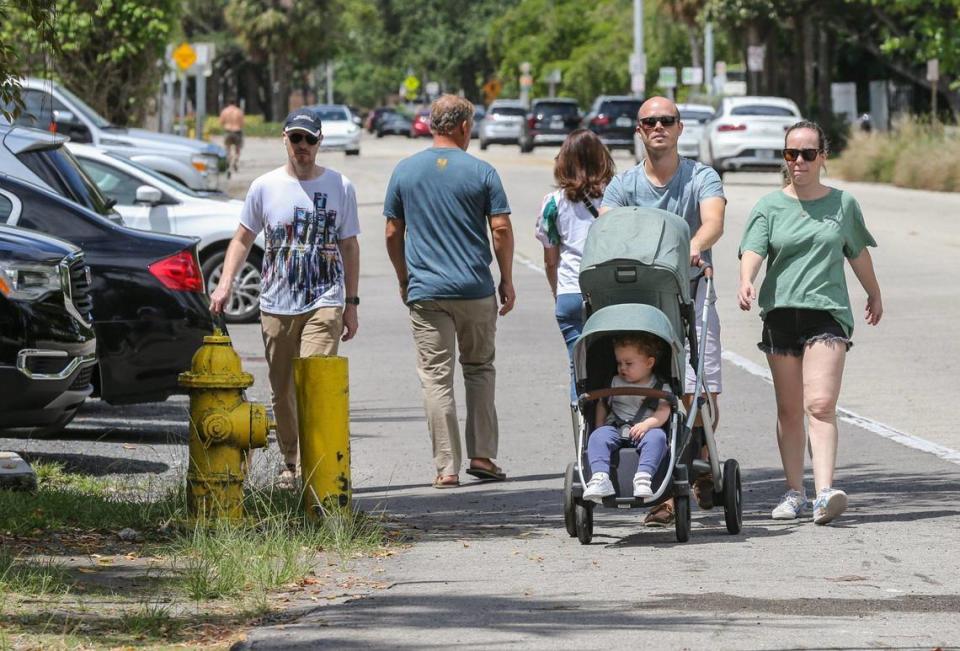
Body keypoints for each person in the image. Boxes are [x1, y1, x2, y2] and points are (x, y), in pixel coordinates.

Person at [738, 120, 882, 525]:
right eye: (790, 154)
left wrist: (873, 291)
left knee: (819, 404)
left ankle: (823, 494)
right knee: (788, 410)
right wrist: (747, 279)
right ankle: (794, 492)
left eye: (806, 154)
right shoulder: (769, 206)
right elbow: (753, 248)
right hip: (781, 313)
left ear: (823, 157)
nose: (797, 162)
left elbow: (857, 252)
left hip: (827, 312)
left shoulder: (843, 204)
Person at [210, 108, 360, 489]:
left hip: (325, 298)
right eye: (297, 138)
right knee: (283, 390)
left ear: (320, 142)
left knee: (314, 378)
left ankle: (318, 463)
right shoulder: (264, 186)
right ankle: (291, 461)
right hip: (276, 302)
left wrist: (352, 303)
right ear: (285, 139)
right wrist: (226, 283)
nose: (303, 146)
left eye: (310, 139)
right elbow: (242, 238)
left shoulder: (340, 186)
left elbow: (349, 244)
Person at [600, 96, 726, 526]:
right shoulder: (625, 185)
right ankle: (667, 490)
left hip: (688, 297)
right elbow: (608, 227)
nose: (658, 127)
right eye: (649, 121)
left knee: (695, 397)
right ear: (639, 130)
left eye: (666, 120)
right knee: (658, 390)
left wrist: (690, 248)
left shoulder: (700, 177)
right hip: (640, 305)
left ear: (679, 128)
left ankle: (699, 460)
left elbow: (713, 221)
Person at [383, 94, 515, 489]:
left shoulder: (405, 171)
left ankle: (447, 468)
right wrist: (506, 278)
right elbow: (502, 229)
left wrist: (404, 275)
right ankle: (482, 456)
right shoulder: (482, 171)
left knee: (436, 379)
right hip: (474, 289)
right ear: (463, 128)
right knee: (478, 369)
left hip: (427, 292)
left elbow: (392, 231)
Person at [535, 129, 615, 402]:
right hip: (609, 294)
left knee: (577, 368)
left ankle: (581, 433)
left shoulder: (553, 203)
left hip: (570, 291)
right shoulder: (617, 198)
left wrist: (557, 292)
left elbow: (550, 259)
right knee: (612, 367)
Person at [582, 334, 672, 502]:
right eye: (619, 363)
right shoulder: (614, 381)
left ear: (649, 363)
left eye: (628, 364)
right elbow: (603, 405)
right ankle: (600, 477)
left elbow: (663, 411)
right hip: (614, 427)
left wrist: (647, 424)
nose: (622, 368)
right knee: (597, 437)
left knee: (658, 437)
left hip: (645, 429)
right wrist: (599, 426)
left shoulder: (660, 385)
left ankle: (643, 477)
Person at [219, 100, 245, 173]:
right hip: (237, 131)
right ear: (235, 104)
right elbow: (242, 124)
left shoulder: (224, 111)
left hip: (227, 131)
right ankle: (235, 161)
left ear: (228, 104)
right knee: (238, 149)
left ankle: (228, 161)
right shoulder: (239, 111)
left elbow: (221, 122)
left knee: (228, 149)